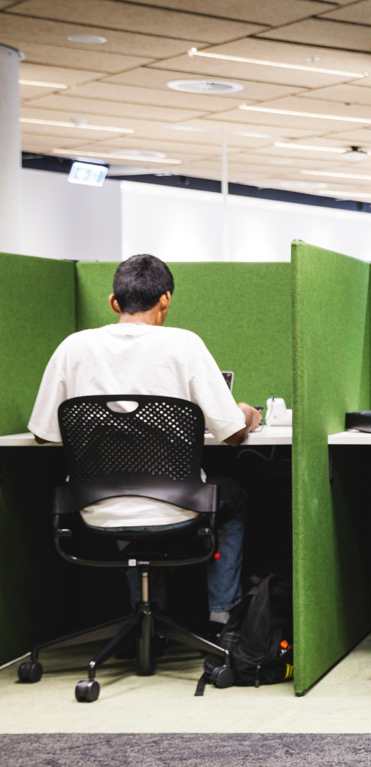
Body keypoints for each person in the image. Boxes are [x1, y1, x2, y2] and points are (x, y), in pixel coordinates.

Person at [28, 254, 262, 636]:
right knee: (233, 495)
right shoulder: (184, 345)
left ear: (114, 302)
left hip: (94, 508)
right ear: (166, 299)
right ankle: (223, 618)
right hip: (179, 507)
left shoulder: (73, 347)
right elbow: (234, 436)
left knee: (122, 498)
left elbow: (43, 433)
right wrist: (245, 413)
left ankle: (145, 619)